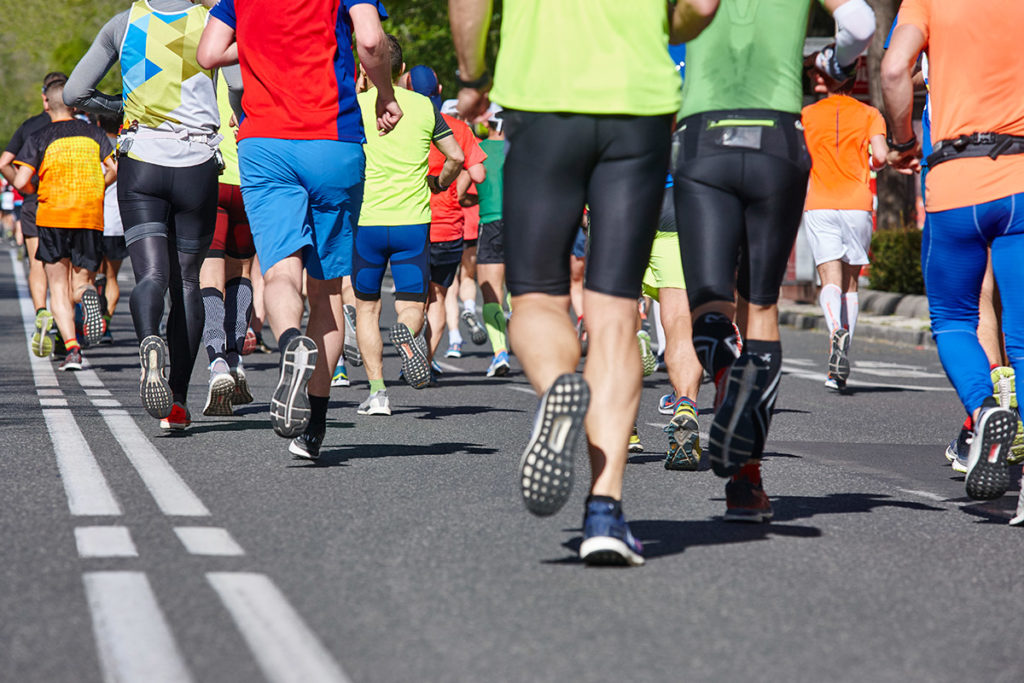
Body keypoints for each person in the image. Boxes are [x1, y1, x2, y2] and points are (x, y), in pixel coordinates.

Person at [451, 0, 688, 566]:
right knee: (615, 310)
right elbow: (700, 7)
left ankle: (557, 384)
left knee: (536, 294)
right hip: (641, 103)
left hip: (543, 97)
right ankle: (605, 512)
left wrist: (474, 76)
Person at [669, 0, 874, 522]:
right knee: (760, 306)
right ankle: (747, 482)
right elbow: (859, 24)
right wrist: (839, 63)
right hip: (778, 140)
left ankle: (724, 379)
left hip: (704, 137)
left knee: (709, 307)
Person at [197, 0, 400, 453]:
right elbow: (369, 39)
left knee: (279, 270)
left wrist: (254, 49)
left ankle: (290, 340)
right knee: (327, 291)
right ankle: (315, 430)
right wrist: (386, 94)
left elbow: (209, 54)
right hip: (333, 141)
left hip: (265, 144)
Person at [882, 0, 1024, 510]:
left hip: (954, 180)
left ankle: (983, 412)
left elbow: (895, 68)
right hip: (1022, 179)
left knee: (954, 317)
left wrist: (902, 141)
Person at [66, 0, 225, 430]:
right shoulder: (215, 20)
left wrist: (119, 107)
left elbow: (73, 93)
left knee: (150, 277)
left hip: (142, 159)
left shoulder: (124, 23)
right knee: (188, 282)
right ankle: (175, 401)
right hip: (197, 160)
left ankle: (148, 341)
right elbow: (242, 87)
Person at [341, 36, 463, 433]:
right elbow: (457, 157)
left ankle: (377, 393)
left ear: (365, 65)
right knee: (413, 305)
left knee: (367, 309)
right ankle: (408, 336)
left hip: (368, 221)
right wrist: (439, 184)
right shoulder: (424, 106)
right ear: (401, 69)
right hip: (413, 222)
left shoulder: (354, 108)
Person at [13, 80, 116, 370]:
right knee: (81, 282)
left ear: (49, 105)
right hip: (88, 215)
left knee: (57, 286)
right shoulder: (94, 133)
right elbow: (114, 169)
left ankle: (72, 351)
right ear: (74, 105)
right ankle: (87, 297)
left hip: (53, 216)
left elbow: (20, 181)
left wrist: (37, 190)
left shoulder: (40, 136)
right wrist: (99, 188)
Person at [801, 69, 887, 391]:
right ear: (853, 82)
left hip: (819, 201)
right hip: (856, 203)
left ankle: (835, 329)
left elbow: (798, 157)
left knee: (830, 279)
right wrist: (872, 163)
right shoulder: (869, 114)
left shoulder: (807, 114)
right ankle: (840, 361)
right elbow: (879, 155)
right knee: (851, 284)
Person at [408, 66, 486, 375]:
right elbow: (479, 173)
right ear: (439, 90)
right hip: (449, 227)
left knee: (412, 297)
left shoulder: (401, 125)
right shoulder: (458, 127)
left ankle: (407, 354)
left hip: (410, 220)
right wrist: (462, 192)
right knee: (439, 294)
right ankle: (424, 362)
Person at [199, 69, 257, 417]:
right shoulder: (262, 56)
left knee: (210, 275)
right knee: (242, 271)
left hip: (211, 176)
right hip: (251, 177)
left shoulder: (206, 57)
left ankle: (217, 362)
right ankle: (235, 359)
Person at [1, 71, 68, 351]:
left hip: (34, 201)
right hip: (68, 202)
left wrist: (25, 187)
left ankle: (42, 311)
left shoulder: (30, 127)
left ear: (45, 98)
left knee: (37, 262)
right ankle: (68, 331)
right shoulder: (79, 126)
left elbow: (4, 161)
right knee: (65, 269)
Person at [641, 177, 705, 470]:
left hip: (628, 200)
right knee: (685, 320)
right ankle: (685, 405)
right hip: (685, 201)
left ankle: (624, 425)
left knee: (619, 315)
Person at [472, 104, 511, 377]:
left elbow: (463, 188)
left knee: (490, 291)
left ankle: (500, 352)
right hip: (522, 224)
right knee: (519, 290)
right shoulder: (522, 150)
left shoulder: (479, 148)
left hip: (490, 221)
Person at [93, 112, 128, 345]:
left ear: (97, 123)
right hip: (119, 221)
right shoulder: (127, 147)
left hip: (93, 219)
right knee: (112, 276)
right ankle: (106, 324)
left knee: (91, 275)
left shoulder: (94, 146)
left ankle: (89, 319)